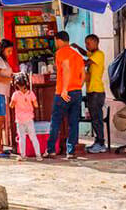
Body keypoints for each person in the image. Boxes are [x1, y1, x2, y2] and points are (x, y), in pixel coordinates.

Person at [44, 31, 85, 159]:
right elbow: (83, 75)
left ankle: (50, 150)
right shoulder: (77, 55)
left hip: (63, 92)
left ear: (59, 40)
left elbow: (66, 69)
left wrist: (65, 89)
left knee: (56, 121)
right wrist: (77, 87)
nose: (55, 44)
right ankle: (71, 151)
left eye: (55, 41)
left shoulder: (61, 52)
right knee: (73, 122)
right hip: (77, 91)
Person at [73, 34, 107, 153]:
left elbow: (86, 62)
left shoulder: (99, 55)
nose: (86, 46)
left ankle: (101, 143)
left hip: (97, 92)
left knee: (97, 118)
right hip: (91, 91)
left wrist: (72, 58)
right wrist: (77, 47)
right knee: (94, 118)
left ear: (96, 43)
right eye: (85, 43)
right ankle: (98, 141)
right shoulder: (92, 54)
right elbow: (85, 53)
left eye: (88, 43)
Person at [10, 73, 43, 161]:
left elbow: (11, 105)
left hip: (20, 120)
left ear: (16, 84)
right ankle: (38, 155)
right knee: (33, 137)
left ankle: (23, 155)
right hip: (29, 119)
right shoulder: (31, 93)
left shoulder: (15, 94)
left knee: (22, 138)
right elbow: (36, 105)